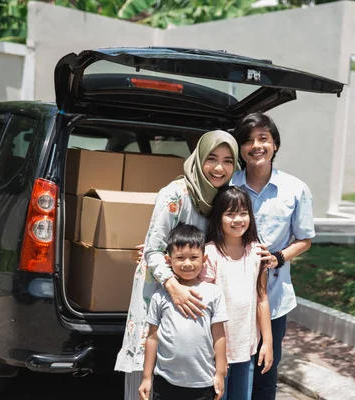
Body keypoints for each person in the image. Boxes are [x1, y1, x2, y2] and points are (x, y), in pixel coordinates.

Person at [115, 130, 240, 400]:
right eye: (212, 158)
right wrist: (173, 287)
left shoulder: (220, 198)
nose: (220, 168)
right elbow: (154, 249)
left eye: (228, 160)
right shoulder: (175, 194)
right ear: (198, 158)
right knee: (147, 373)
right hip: (161, 290)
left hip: (196, 296)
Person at [231, 112, 315, 400]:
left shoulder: (295, 189)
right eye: (248, 141)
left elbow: (305, 239)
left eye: (263, 139)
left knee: (266, 373)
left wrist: (279, 256)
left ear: (275, 144)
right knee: (228, 370)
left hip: (275, 297)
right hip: (229, 298)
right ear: (240, 149)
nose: (256, 146)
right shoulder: (227, 185)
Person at [138, 223, 228, 400]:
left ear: (204, 259)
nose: (187, 263)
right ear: (168, 260)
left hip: (203, 383)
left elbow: (219, 335)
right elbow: (152, 337)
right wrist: (147, 378)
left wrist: (220, 373)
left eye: (194, 257)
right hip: (166, 383)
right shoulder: (160, 296)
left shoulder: (213, 293)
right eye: (180, 257)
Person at [202, 186, 274, 400]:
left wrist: (267, 343)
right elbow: (206, 307)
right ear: (218, 217)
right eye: (230, 214)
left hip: (246, 347)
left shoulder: (258, 253)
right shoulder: (210, 254)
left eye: (243, 213)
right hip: (215, 350)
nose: (238, 219)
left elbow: (262, 299)